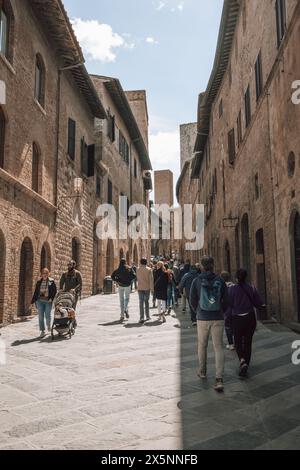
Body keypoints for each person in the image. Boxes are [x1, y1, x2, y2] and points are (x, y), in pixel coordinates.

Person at [190, 256, 228, 392]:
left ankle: (202, 371)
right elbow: (226, 299)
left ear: (201, 266)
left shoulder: (197, 280)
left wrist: (198, 311)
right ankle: (218, 378)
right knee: (218, 347)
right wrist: (221, 311)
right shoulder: (220, 280)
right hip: (217, 317)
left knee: (202, 345)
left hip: (202, 317)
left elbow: (192, 299)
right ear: (213, 265)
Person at [227, 269, 265, 378]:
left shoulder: (232, 289)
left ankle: (242, 360)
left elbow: (229, 306)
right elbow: (258, 302)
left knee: (238, 341)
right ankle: (246, 364)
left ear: (236, 278)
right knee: (248, 342)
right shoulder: (251, 288)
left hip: (237, 319)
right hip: (250, 318)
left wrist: (227, 320)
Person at [31, 268, 57, 338]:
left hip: (48, 301)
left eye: (46, 273)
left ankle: (48, 325)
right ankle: (42, 331)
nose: (44, 275)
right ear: (41, 274)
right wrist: (34, 301)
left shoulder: (51, 281)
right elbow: (36, 291)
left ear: (48, 274)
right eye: (43, 273)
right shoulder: (39, 282)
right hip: (40, 301)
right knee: (40, 316)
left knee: (47, 316)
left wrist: (51, 299)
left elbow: (54, 291)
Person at [220, 271, 235, 351]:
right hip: (236, 310)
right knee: (235, 326)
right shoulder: (234, 286)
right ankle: (237, 342)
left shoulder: (221, 287)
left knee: (228, 327)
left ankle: (231, 344)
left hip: (227, 310)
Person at [136, 258, 154, 324]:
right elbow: (151, 280)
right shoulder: (149, 269)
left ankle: (141, 317)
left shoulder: (137, 269)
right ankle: (147, 316)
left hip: (140, 287)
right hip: (147, 288)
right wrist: (152, 289)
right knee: (146, 302)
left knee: (141, 302)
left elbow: (137, 278)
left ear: (140, 262)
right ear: (146, 262)